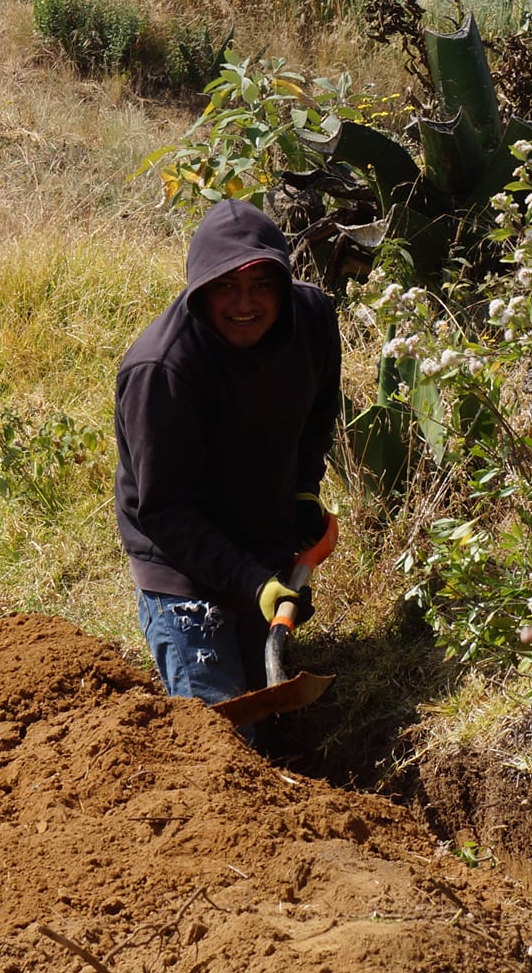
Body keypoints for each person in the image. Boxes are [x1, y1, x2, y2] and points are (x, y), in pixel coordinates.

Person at [115, 198, 342, 706]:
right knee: (228, 736)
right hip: (182, 569)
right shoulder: (162, 370)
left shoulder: (312, 319)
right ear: (198, 290)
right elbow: (166, 512)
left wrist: (304, 488)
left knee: (266, 704)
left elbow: (319, 413)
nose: (245, 303)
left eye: (261, 284)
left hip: (261, 537)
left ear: (283, 285)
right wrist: (253, 583)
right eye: (225, 286)